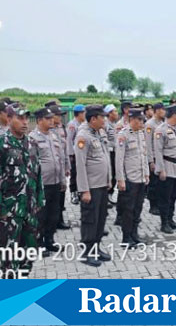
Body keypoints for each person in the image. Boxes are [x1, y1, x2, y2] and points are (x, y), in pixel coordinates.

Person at [0, 104, 43, 277]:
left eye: (26, 118)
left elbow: (37, 173)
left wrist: (39, 200)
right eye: (20, 118)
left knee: (29, 250)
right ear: (9, 119)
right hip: (10, 210)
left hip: (30, 207)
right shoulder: (0, 145)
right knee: (9, 254)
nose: (25, 122)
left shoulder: (32, 143)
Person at [74, 105, 112, 267]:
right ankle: (86, 252)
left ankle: (96, 248)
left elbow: (105, 157)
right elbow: (80, 165)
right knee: (90, 220)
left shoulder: (99, 133)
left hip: (102, 185)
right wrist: (84, 190)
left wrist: (109, 179)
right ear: (93, 119)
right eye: (102, 117)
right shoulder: (83, 136)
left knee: (100, 218)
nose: (104, 119)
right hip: (91, 187)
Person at [28, 107, 62, 255]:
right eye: (48, 119)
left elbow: (59, 158)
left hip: (55, 181)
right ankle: (38, 243)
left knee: (53, 214)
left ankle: (49, 240)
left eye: (52, 118)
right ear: (39, 120)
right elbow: (31, 163)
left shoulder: (54, 136)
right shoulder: (32, 138)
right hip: (42, 184)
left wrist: (62, 179)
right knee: (41, 215)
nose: (51, 121)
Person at [115, 108, 149, 248]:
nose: (142, 123)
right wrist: (120, 179)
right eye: (140, 120)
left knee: (137, 208)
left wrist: (146, 173)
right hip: (130, 179)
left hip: (140, 177)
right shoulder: (123, 135)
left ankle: (134, 234)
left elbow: (144, 155)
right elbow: (119, 159)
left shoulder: (141, 134)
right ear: (133, 120)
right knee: (128, 210)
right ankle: (126, 237)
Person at [154, 104, 176, 234]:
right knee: (165, 197)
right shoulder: (161, 130)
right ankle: (164, 223)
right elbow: (158, 151)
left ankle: (170, 219)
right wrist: (161, 170)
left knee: (173, 196)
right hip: (167, 168)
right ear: (174, 115)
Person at [45, 103, 72, 230]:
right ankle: (51, 223)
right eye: (58, 116)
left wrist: (67, 166)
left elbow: (64, 149)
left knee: (61, 196)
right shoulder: (48, 130)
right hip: (50, 170)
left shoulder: (62, 128)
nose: (60, 118)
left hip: (61, 166)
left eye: (61, 116)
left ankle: (59, 220)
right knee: (51, 200)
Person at [145, 103, 165, 216]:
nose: (164, 112)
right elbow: (148, 144)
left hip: (161, 157)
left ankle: (159, 203)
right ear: (156, 110)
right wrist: (150, 161)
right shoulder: (149, 125)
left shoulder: (162, 123)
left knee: (161, 184)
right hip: (154, 157)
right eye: (162, 110)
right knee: (154, 183)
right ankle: (153, 206)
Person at [66, 104, 86, 205]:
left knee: (81, 173)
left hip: (82, 153)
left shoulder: (84, 124)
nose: (85, 114)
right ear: (79, 114)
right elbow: (69, 140)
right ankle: (73, 193)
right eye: (83, 113)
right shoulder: (72, 125)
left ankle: (80, 191)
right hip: (74, 154)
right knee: (74, 174)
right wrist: (71, 155)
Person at [103, 104, 119, 209]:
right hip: (108, 152)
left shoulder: (114, 124)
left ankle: (110, 194)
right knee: (109, 174)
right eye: (115, 111)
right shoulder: (105, 124)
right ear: (109, 113)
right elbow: (104, 139)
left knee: (114, 175)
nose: (117, 114)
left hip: (115, 152)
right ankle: (105, 196)